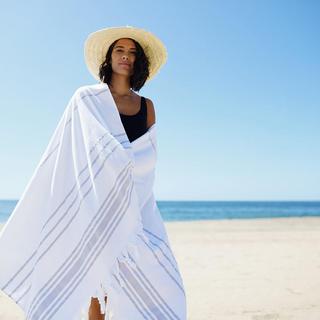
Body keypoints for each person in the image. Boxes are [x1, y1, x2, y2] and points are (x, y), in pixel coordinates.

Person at [0, 26, 186, 320]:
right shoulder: (87, 98)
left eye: (132, 53)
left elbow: (147, 157)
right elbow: (75, 150)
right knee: (96, 286)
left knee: (161, 282)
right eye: (119, 51)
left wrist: (125, 168)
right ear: (109, 58)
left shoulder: (147, 106)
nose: (126, 57)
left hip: (136, 204)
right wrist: (115, 164)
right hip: (96, 203)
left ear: (140, 62)